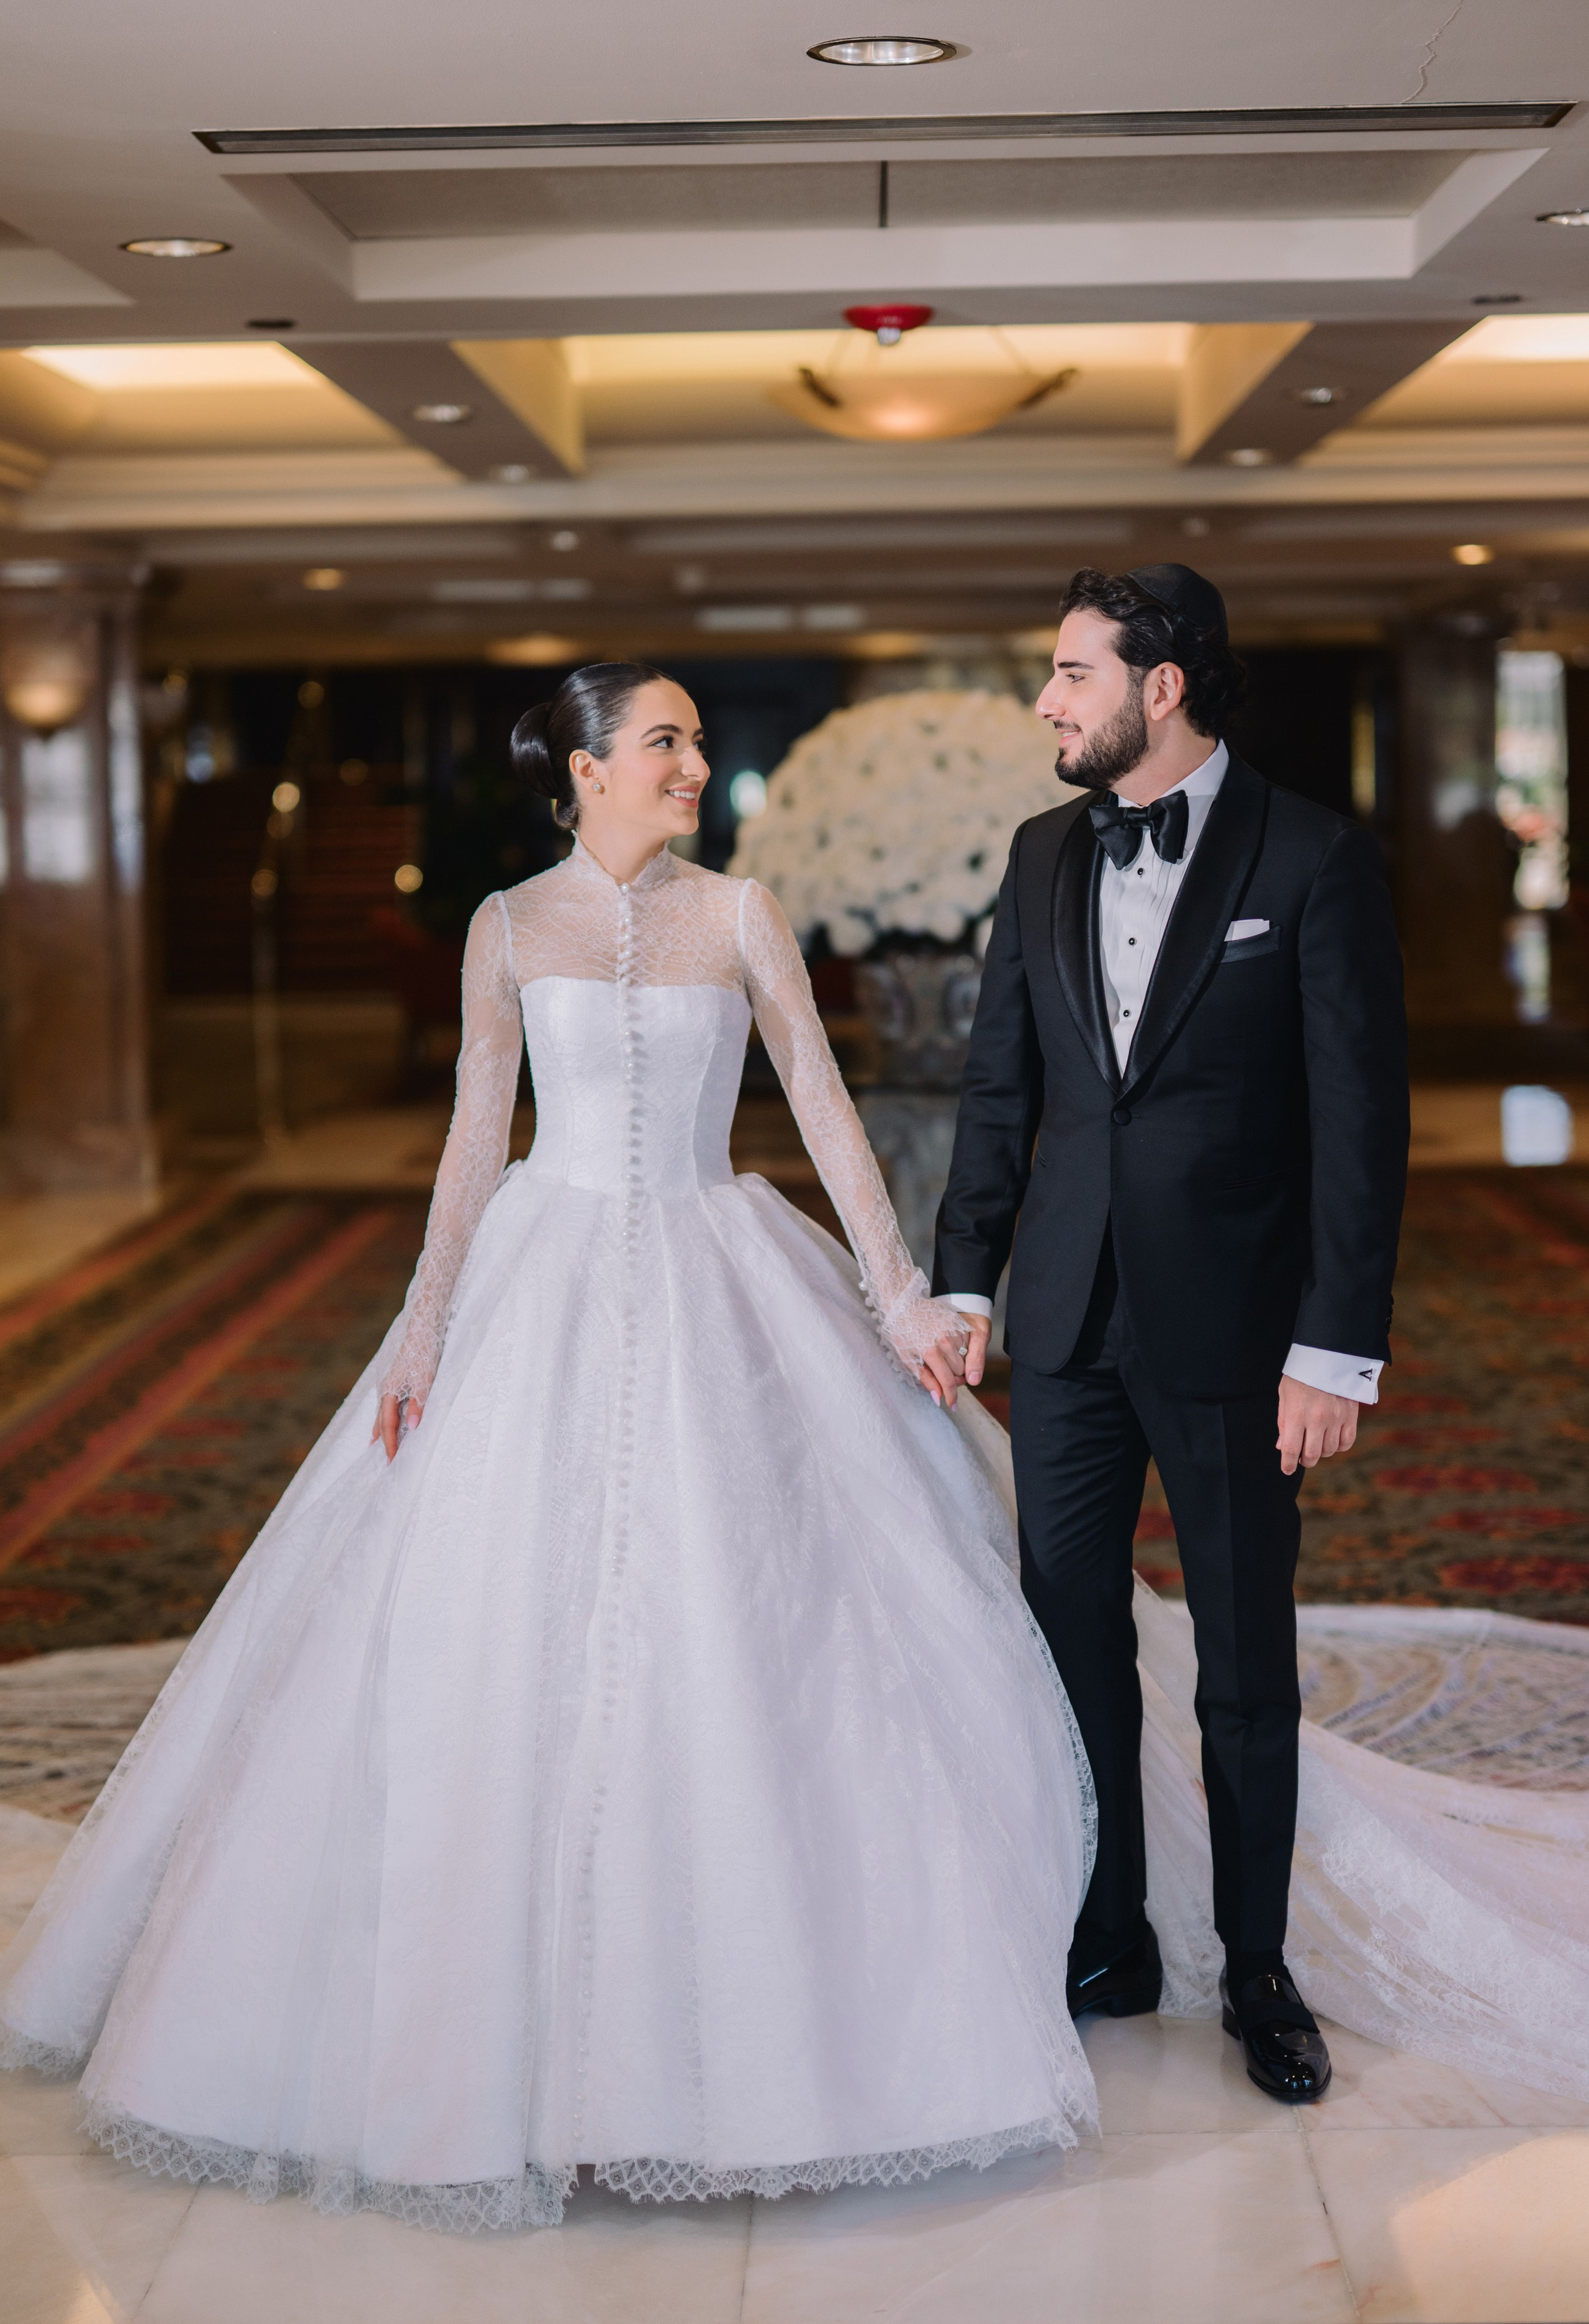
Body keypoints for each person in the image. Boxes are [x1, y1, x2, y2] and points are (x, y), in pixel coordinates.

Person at [0, 664, 1102, 2231]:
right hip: (545, 1274)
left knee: (746, 1617)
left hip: (724, 1259)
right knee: (498, 1635)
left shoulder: (744, 913)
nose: (693, 767)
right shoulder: (508, 927)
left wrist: (900, 1293)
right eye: (665, 743)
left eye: (696, 744)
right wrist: (425, 1320)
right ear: (584, 769)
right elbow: (473, 1134)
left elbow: (826, 1111)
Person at [935, 565, 1410, 2103]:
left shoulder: (1314, 857)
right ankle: (1109, 1931)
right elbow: (999, 1090)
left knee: (1237, 1669)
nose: (1046, 701)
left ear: (1162, 687)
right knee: (1063, 1637)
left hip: (1237, 1332)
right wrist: (963, 1282)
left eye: (1072, 673)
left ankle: (1257, 1968)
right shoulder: (1037, 854)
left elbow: (1359, 1124)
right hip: (1064, 1325)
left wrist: (1332, 1349)